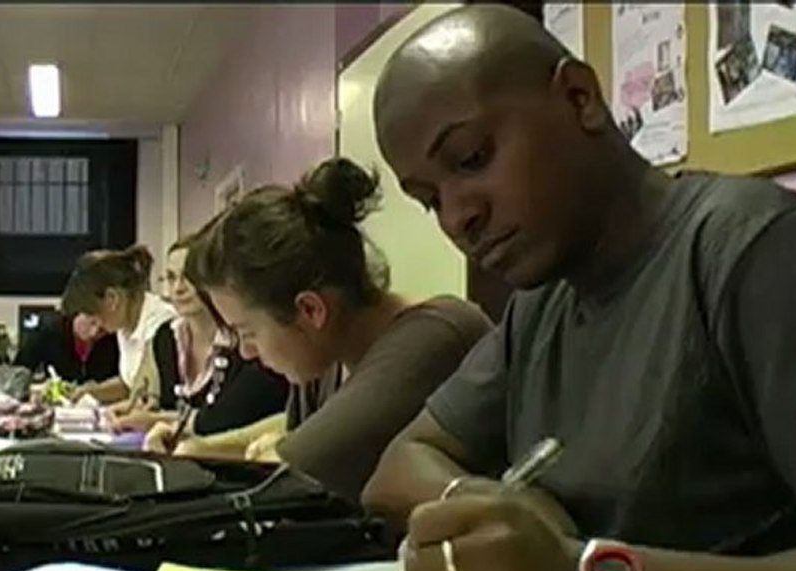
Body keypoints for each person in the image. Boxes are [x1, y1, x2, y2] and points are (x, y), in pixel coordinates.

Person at [363, 6, 796, 571]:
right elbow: (400, 467)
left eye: (471, 159)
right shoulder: (541, 305)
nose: (458, 216)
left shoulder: (767, 255)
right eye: (429, 200)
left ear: (579, 97)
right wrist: (498, 511)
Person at [178, 157, 493, 503]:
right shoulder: (325, 356)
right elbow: (292, 438)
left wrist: (261, 451)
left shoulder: (436, 338)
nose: (246, 351)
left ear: (310, 310)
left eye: (247, 332)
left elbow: (287, 474)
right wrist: (200, 448)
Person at [131, 231, 289, 448]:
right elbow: (153, 396)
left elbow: (228, 416)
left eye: (189, 278)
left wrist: (159, 421)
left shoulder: (246, 343)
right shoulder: (165, 337)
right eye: (171, 278)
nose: (178, 288)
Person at [59, 246, 178, 408]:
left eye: (94, 316)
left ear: (112, 298)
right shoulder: (124, 324)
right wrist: (90, 391)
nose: (94, 331)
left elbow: (147, 395)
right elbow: (128, 384)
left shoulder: (161, 325)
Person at [13, 310, 119, 385]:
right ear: (79, 312)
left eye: (102, 331)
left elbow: (122, 382)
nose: (94, 333)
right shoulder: (49, 329)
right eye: (92, 323)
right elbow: (18, 372)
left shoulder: (115, 338)